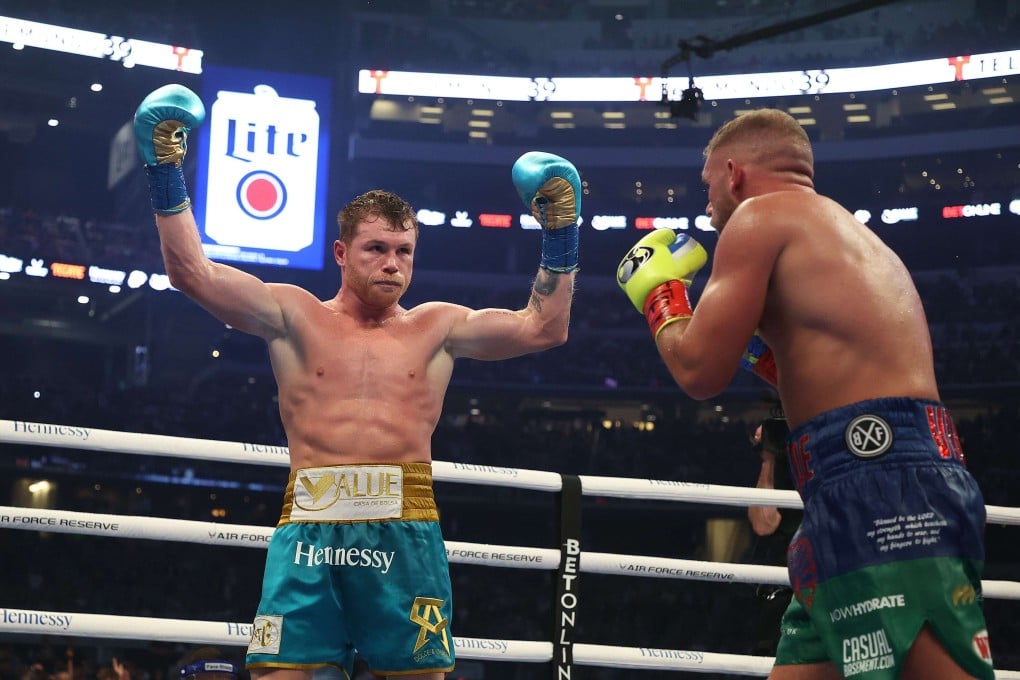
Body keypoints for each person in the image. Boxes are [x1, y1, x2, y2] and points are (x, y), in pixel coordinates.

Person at [133, 84, 581, 680]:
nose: (392, 263)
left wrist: (561, 228)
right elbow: (191, 272)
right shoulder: (294, 315)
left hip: (405, 526)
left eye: (404, 250)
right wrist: (165, 168)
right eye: (376, 248)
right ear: (342, 252)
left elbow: (543, 328)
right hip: (310, 527)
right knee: (279, 674)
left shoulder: (439, 327)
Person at [616, 108, 993, 678]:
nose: (708, 204)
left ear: (735, 173)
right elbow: (807, 367)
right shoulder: (843, 231)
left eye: (708, 185)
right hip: (873, 474)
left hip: (880, 484)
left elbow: (697, 371)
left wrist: (660, 295)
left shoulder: (756, 219)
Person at [745, 416, 801, 657]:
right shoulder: (774, 465)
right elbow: (763, 524)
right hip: (782, 580)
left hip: (818, 577)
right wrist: (768, 456)